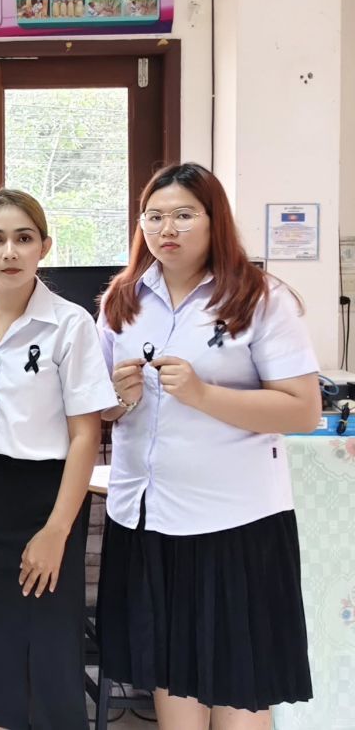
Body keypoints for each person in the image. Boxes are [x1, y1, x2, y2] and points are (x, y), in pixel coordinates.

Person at [96, 162, 319, 727]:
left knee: (240, 685)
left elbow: (303, 409)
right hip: (147, 517)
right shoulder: (122, 299)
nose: (166, 228)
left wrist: (202, 394)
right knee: (171, 675)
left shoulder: (260, 297)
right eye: (154, 216)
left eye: (183, 215)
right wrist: (119, 399)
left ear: (214, 219)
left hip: (234, 522)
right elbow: (101, 408)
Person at [0, 189, 115, 729]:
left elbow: (86, 435)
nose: (9, 251)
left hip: (44, 498)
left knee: (43, 659)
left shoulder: (70, 323)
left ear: (44, 247)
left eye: (23, 238)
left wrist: (57, 531)